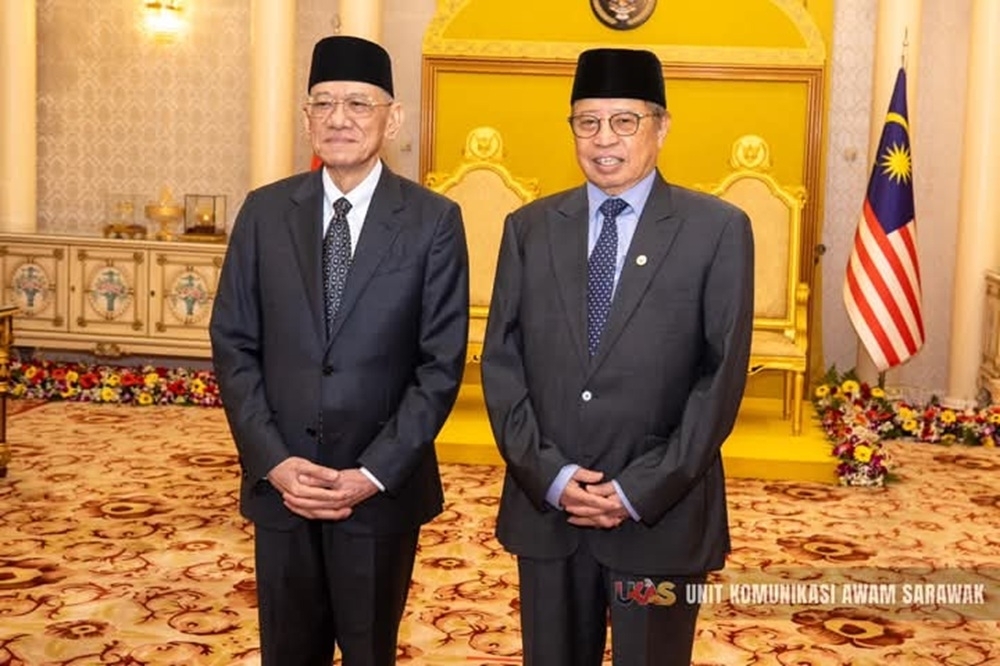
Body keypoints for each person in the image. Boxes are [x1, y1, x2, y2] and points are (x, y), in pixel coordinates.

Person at [480, 47, 754, 666]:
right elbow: (502, 362)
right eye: (588, 121)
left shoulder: (716, 229)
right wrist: (551, 476)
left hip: (660, 518)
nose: (604, 139)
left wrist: (637, 489)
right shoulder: (529, 227)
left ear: (662, 127)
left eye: (624, 121)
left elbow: (720, 378)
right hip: (550, 513)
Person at [209, 35, 469, 666]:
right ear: (307, 119)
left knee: (368, 650)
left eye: (358, 103)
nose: (339, 119)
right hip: (283, 486)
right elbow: (234, 343)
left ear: (392, 119)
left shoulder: (433, 220)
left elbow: (439, 365)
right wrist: (273, 460)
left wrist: (372, 472)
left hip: (378, 491)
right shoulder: (265, 212)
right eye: (323, 103)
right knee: (286, 651)